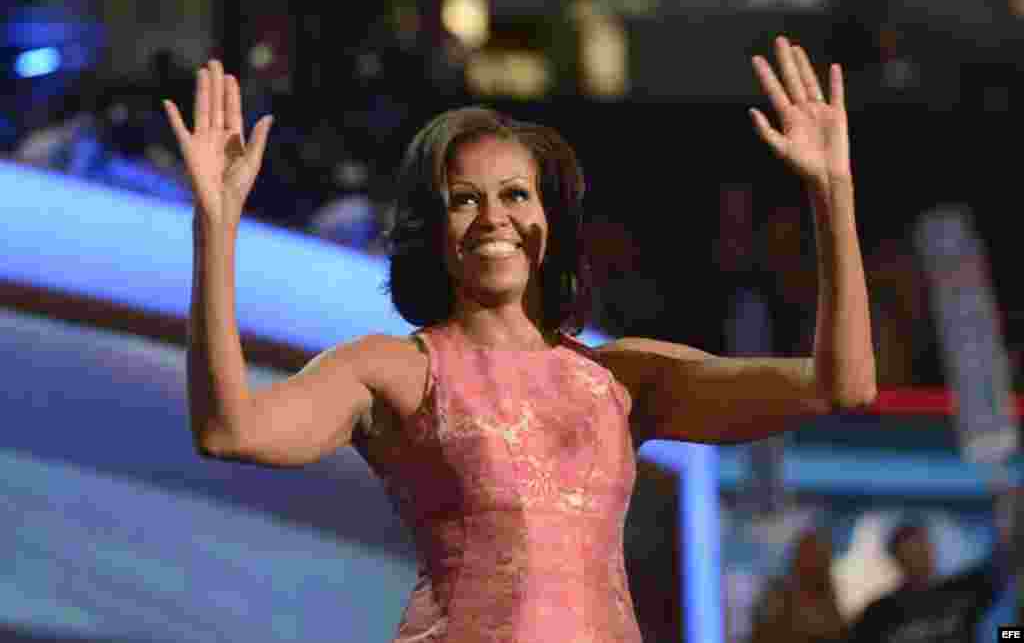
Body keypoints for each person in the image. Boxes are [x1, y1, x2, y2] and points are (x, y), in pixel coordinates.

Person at [161, 35, 875, 642]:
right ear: (430, 230)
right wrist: (215, 227)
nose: (492, 217)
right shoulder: (394, 371)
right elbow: (231, 430)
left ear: (549, 223)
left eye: (515, 194)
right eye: (464, 199)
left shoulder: (625, 379)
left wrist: (833, 190)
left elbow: (842, 384)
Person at [848, 510, 1017, 643]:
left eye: (921, 548)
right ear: (895, 557)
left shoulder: (964, 590)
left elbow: (1005, 559)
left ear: (931, 549)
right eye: (909, 552)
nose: (918, 558)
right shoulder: (879, 613)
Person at [750, 526, 848, 643]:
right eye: (810, 555)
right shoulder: (778, 596)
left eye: (821, 555)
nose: (815, 563)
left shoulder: (829, 601)